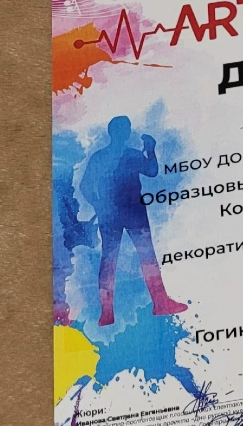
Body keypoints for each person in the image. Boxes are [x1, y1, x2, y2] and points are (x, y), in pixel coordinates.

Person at [80, 116, 187, 326]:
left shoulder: (117, 155)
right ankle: (111, 311)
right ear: (118, 132)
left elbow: (151, 172)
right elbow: (86, 186)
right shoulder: (111, 156)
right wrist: (99, 205)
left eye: (127, 129)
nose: (127, 132)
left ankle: (154, 304)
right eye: (125, 129)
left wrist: (150, 150)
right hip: (121, 214)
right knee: (120, 260)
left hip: (128, 213)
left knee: (127, 259)